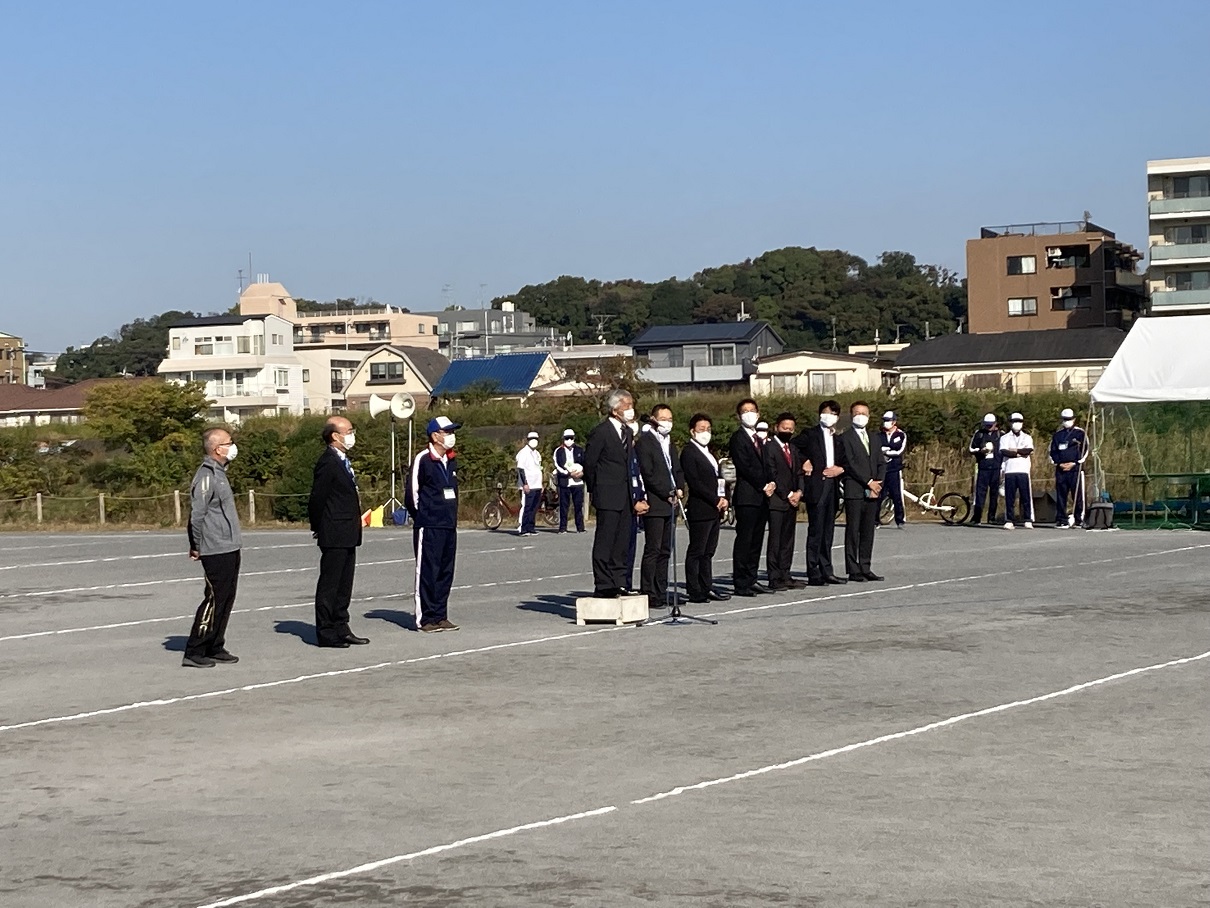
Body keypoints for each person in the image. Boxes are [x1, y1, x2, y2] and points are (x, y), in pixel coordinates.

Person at [182, 426, 242, 668]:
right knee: (214, 598)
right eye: (229, 442)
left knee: (227, 597)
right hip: (215, 547)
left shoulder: (220, 472)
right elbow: (197, 515)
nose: (233, 446)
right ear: (217, 448)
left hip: (229, 545)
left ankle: (215, 644)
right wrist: (195, 544)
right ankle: (195, 649)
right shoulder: (206, 475)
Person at [308, 416, 371, 647]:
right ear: (335, 435)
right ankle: (326, 631)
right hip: (333, 530)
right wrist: (318, 526)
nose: (352, 434)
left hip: (348, 530)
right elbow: (318, 497)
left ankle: (341, 626)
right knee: (330, 584)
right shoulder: (328, 461)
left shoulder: (343, 459)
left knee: (345, 585)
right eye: (349, 431)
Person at [584, 390, 649, 598]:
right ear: (615, 409)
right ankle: (603, 584)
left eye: (632, 405)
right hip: (607, 494)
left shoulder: (628, 433)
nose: (631, 410)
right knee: (606, 542)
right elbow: (590, 464)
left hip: (626, 495)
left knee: (622, 543)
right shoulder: (601, 432)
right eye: (627, 406)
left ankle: (620, 582)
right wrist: (596, 489)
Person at [405, 415, 461, 631]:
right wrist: (423, 517)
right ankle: (426, 618)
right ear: (435, 435)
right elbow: (412, 494)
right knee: (428, 571)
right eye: (447, 432)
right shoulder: (423, 460)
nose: (451, 436)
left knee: (445, 571)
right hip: (429, 525)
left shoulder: (451, 459)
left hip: (449, 524)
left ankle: (440, 614)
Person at [636, 403, 685, 610]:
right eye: (663, 418)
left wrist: (680, 488)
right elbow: (649, 473)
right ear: (654, 419)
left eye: (670, 418)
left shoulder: (669, 443)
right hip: (656, 502)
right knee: (653, 548)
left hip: (672, 503)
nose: (667, 422)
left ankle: (661, 589)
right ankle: (649, 591)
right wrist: (667, 492)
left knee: (666, 549)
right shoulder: (645, 442)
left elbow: (677, 469)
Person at [793, 400, 846, 587]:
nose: (828, 416)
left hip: (832, 486)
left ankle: (827, 569)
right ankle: (813, 570)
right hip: (816, 485)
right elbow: (792, 448)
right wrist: (804, 461)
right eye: (825, 412)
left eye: (832, 413)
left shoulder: (838, 438)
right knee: (816, 530)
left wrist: (840, 469)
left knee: (828, 530)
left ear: (837, 417)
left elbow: (845, 462)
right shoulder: (810, 434)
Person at [680, 413, 730, 603]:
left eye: (708, 429)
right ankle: (695, 589)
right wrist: (714, 498)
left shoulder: (710, 453)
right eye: (701, 429)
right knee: (697, 550)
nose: (705, 433)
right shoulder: (689, 453)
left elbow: (719, 478)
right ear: (692, 431)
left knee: (709, 551)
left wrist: (724, 497)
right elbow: (695, 482)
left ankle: (706, 585)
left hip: (715, 508)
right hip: (701, 507)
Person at [836, 401, 886, 582]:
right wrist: (868, 482)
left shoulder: (874, 437)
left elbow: (881, 462)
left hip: (873, 492)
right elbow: (849, 463)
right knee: (853, 530)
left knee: (868, 530)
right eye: (857, 413)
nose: (860, 416)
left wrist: (878, 483)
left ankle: (865, 566)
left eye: (864, 413)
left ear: (869, 415)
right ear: (851, 416)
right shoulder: (845, 438)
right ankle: (853, 568)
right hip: (855, 489)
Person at [729, 398, 775, 597]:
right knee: (745, 539)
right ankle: (741, 582)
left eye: (752, 410)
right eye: (745, 411)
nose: (749, 414)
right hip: (747, 495)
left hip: (762, 496)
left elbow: (767, 464)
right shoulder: (738, 438)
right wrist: (762, 484)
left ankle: (752, 577)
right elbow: (745, 466)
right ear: (739, 416)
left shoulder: (759, 438)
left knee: (757, 539)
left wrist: (772, 482)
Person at [763, 411, 805, 590]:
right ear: (776, 428)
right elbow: (771, 472)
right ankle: (774, 577)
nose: (787, 431)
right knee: (776, 539)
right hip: (777, 500)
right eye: (784, 428)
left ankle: (785, 573)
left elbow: (799, 472)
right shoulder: (769, 447)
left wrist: (799, 492)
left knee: (788, 540)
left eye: (790, 429)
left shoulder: (793, 449)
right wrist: (787, 494)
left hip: (793, 501)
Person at [1050, 407, 1088, 529]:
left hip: (1075, 468)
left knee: (1077, 495)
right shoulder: (1057, 435)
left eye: (1069, 419)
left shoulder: (1080, 433)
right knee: (1061, 495)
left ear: (1074, 419)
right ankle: (1061, 519)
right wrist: (1058, 463)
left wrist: (1076, 462)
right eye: (1065, 419)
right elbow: (1052, 451)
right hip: (1061, 469)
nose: (1067, 421)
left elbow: (1086, 449)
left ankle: (1079, 519)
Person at [1000, 411, 1035, 529]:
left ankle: (1027, 518)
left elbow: (1028, 450)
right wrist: (1019, 452)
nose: (1017, 424)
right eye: (1014, 422)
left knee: (1025, 496)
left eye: (1019, 422)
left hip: (1023, 470)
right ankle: (1009, 519)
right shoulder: (1004, 438)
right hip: (1010, 470)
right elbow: (1004, 452)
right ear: (1010, 423)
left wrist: (1014, 451)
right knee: (1010, 497)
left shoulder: (1027, 437)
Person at [968, 413, 1003, 527]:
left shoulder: (1000, 435)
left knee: (994, 494)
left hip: (996, 468)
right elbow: (971, 448)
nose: (988, 427)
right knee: (980, 493)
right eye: (986, 425)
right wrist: (980, 450)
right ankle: (976, 517)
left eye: (990, 425)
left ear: (995, 424)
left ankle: (992, 517)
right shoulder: (979, 434)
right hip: (983, 467)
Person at [553, 428, 586, 533]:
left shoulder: (579, 450)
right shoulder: (559, 451)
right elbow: (557, 465)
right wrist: (568, 473)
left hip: (578, 482)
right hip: (564, 482)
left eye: (571, 438)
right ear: (563, 438)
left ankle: (580, 527)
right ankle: (563, 528)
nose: (569, 440)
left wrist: (582, 473)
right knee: (564, 505)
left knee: (578, 505)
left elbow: (585, 463)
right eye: (567, 438)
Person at [878, 411, 907, 528]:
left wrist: (887, 451)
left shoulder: (900, 435)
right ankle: (876, 521)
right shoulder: (879, 435)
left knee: (896, 495)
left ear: (894, 422)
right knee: (880, 495)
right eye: (884, 420)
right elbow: (876, 450)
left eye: (888, 420)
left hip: (894, 469)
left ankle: (900, 520)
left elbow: (900, 451)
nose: (886, 423)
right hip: (881, 469)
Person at [515, 430, 544, 537]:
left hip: (537, 484)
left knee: (534, 507)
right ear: (527, 440)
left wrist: (541, 484)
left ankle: (530, 527)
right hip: (528, 485)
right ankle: (523, 528)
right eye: (532, 439)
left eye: (536, 439)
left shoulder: (537, 453)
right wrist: (525, 484)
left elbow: (539, 468)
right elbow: (521, 469)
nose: (534, 441)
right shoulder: (523, 453)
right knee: (526, 506)